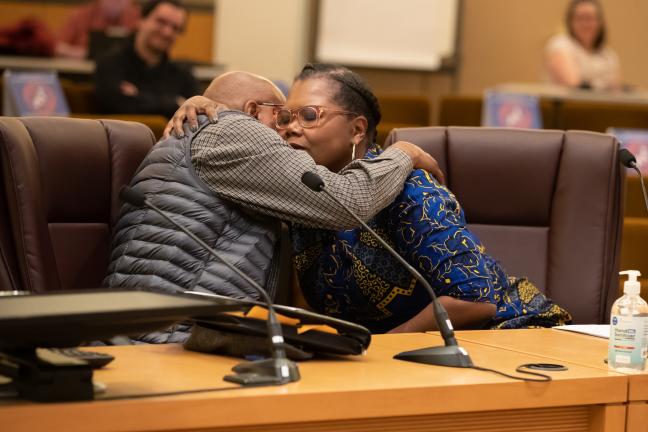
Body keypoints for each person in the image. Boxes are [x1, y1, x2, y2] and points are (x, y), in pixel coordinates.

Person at [170, 64, 572, 334]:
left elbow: (475, 300)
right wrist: (206, 106)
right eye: (286, 118)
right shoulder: (305, 191)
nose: (291, 129)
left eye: (308, 115)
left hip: (510, 340)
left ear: (358, 130)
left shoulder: (412, 188)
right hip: (391, 363)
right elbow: (241, 94)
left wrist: (378, 349)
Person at [104, 70, 440, 343]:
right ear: (252, 111)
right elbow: (348, 202)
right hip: (169, 339)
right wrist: (404, 152)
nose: (287, 130)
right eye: (280, 117)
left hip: (153, 331)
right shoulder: (233, 131)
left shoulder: (205, 132)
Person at [94, 0, 198, 118]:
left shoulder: (183, 76)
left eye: (175, 28)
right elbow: (117, 107)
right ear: (141, 20)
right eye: (161, 22)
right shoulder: (109, 64)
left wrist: (138, 96)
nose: (167, 32)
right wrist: (174, 103)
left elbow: (196, 114)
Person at [544, 0, 621, 91]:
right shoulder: (560, 45)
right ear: (570, 22)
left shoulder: (608, 55)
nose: (585, 24)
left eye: (590, 18)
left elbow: (616, 91)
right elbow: (573, 86)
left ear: (600, 22)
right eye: (580, 18)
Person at [55, 0, 140, 59]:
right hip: (83, 77)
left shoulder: (138, 19)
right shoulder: (81, 16)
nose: (116, 2)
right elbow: (56, 46)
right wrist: (82, 54)